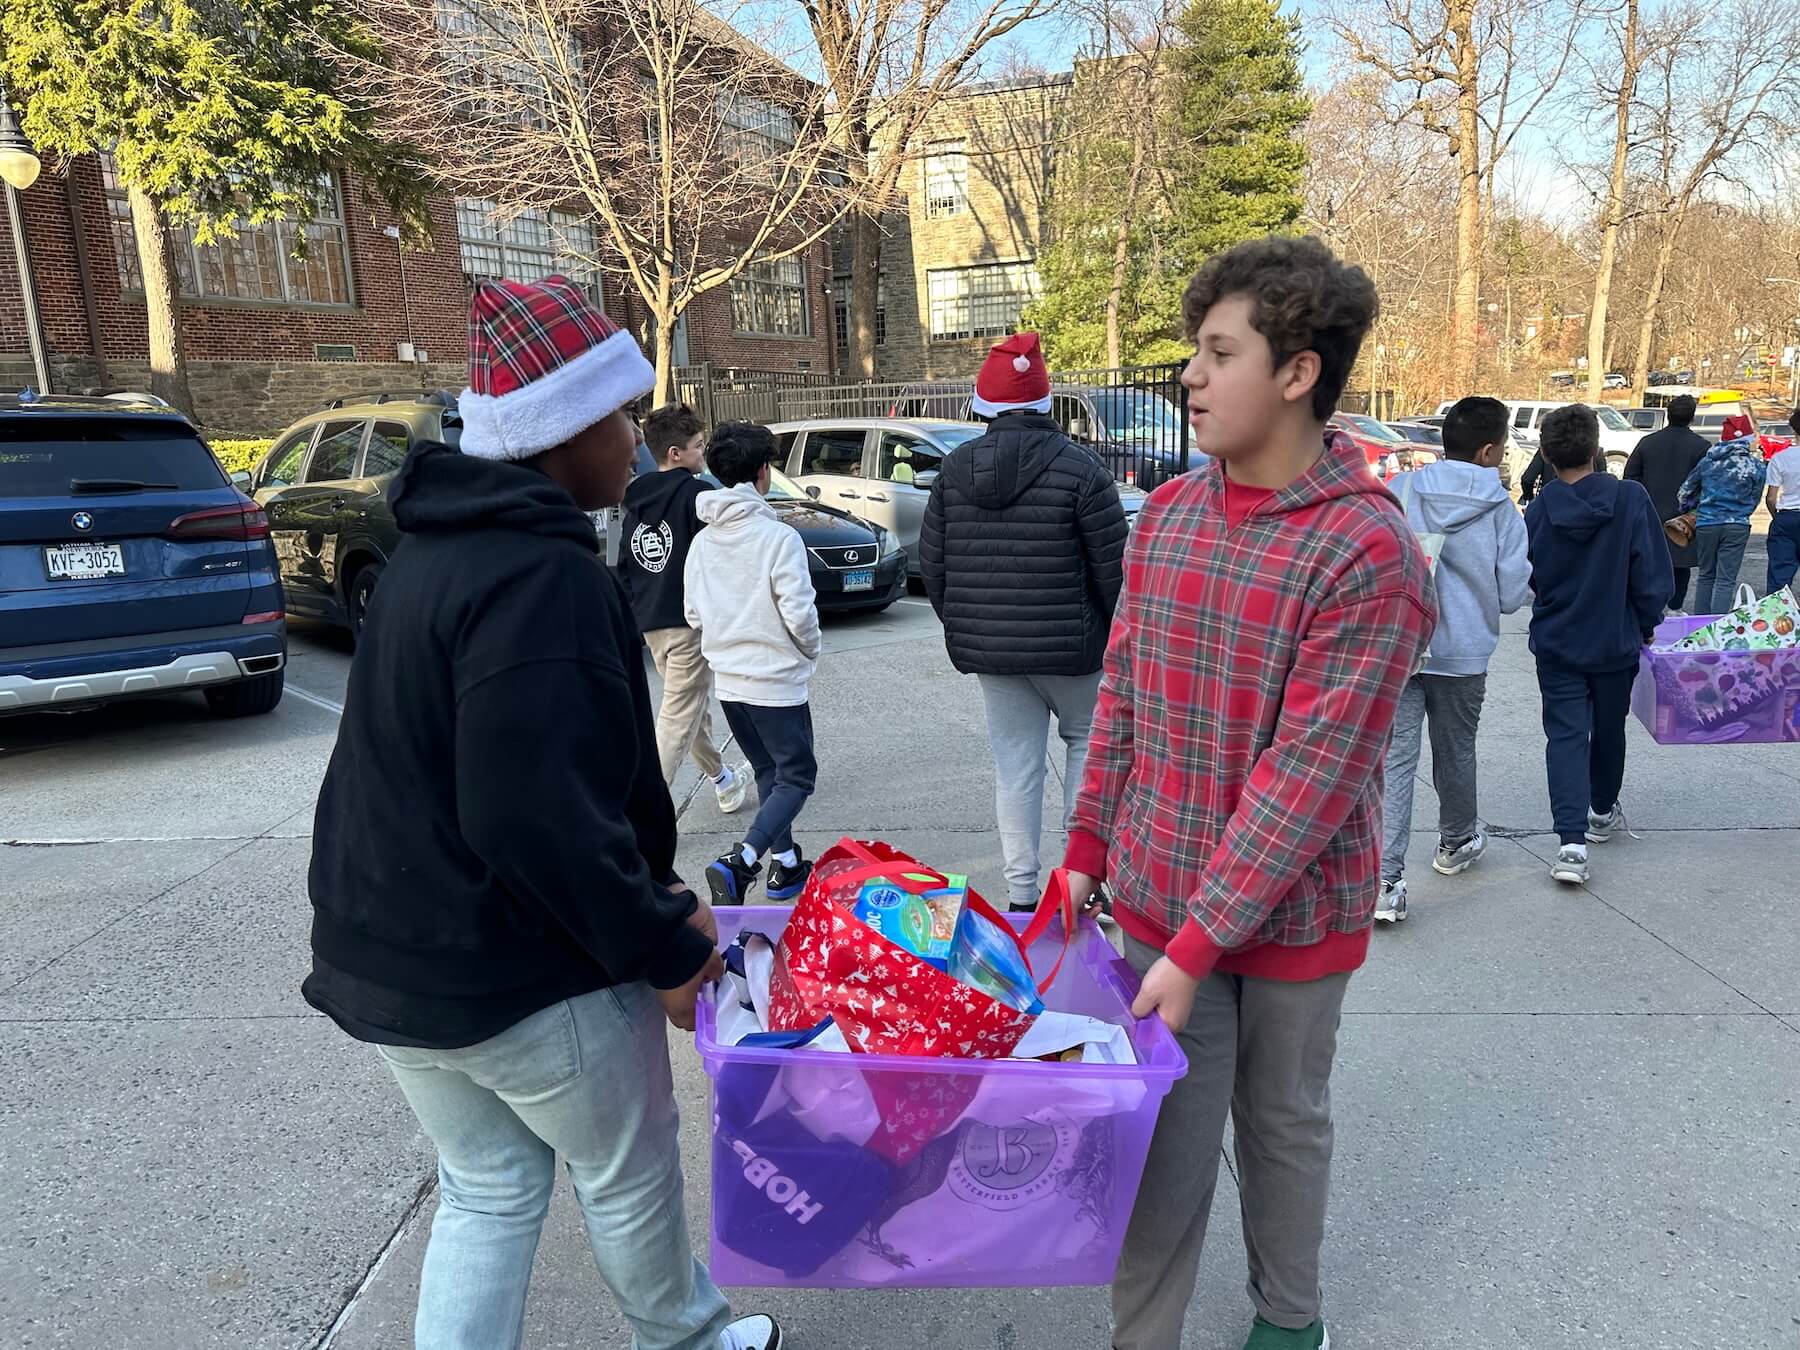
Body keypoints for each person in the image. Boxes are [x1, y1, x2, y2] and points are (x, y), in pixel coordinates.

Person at [303, 277, 780, 1350]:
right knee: (628, 1162)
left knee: (488, 1187)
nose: (632, 438)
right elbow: (536, 819)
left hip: (391, 957)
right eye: (617, 415)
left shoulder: (439, 548)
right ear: (561, 432)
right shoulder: (536, 577)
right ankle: (690, 1339)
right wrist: (662, 950)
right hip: (506, 964)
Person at [1063, 235, 1435, 1350]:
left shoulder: (1367, 554)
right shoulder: (1169, 515)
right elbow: (1121, 687)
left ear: (1298, 372)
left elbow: (1307, 784)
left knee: (1278, 1127)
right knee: (1159, 1148)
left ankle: (1288, 1321)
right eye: (1194, 350)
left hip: (1293, 920)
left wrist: (1198, 946)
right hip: (1155, 899)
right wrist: (1086, 842)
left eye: (1219, 352)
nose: (1190, 374)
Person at [918, 330, 1128, 913]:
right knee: (1087, 750)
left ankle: (1020, 892)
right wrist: (1117, 638)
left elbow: (933, 568)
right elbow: (1115, 572)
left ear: (984, 403)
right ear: (1044, 400)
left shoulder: (953, 471)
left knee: (1015, 769)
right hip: (1077, 651)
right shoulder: (1083, 469)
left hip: (994, 655)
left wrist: (968, 626)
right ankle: (1082, 885)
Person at [1376, 395, 1531, 924]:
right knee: (1456, 750)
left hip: (1401, 643)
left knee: (1395, 760)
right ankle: (1456, 840)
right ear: (1489, 450)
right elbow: (1512, 593)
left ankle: (1386, 880)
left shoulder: (1398, 491)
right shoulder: (1502, 512)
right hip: (1463, 650)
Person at [1525, 404, 1672, 887]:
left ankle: (1570, 843)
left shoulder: (1541, 510)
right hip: (1614, 640)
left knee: (1565, 736)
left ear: (1546, 453)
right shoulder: (1631, 499)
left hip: (1558, 641)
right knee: (1609, 728)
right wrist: (1647, 622)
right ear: (1596, 449)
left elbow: (1533, 573)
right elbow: (1651, 573)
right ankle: (1601, 808)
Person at [686, 421, 822, 907]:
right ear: (764, 472)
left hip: (730, 682)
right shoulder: (776, 537)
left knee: (768, 770)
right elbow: (799, 613)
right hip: (776, 681)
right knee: (798, 776)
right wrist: (810, 648)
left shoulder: (703, 541)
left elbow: (693, 613)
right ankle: (743, 860)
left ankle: (785, 867)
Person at [620, 402, 749, 811]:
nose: (702, 452)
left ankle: (723, 779)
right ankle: (645, 811)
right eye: (696, 446)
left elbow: (625, 562)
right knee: (679, 715)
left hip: (652, 622)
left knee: (690, 709)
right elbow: (718, 556)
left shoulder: (635, 500)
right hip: (687, 620)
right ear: (675, 454)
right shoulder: (697, 494)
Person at [1623, 394, 1709, 612]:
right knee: (1680, 565)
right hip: (1685, 517)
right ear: (1692, 417)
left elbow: (1630, 477)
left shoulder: (1648, 442)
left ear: (1667, 415)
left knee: (1649, 562)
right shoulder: (1702, 446)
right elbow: (1708, 484)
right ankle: (1675, 607)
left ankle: (1651, 606)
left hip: (1649, 511)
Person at [1679, 412, 1768, 614]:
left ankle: (1699, 623)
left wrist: (1690, 510)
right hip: (1737, 524)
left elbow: (1684, 492)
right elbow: (1755, 498)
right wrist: (1742, 512)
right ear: (1745, 439)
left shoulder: (1708, 462)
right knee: (1726, 580)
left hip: (1706, 523)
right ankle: (1717, 625)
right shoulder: (1755, 466)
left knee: (1705, 575)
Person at [1763, 407, 1800, 594]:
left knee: (1779, 577)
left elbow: (1771, 498)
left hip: (1787, 517)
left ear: (1794, 430)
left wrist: (1775, 516)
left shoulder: (1780, 459)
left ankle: (1779, 617)